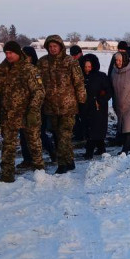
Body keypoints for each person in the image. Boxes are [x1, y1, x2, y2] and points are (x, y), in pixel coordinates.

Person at [0, 41, 45, 183]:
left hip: (28, 114)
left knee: (34, 143)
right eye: (6, 53)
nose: (8, 55)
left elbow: (39, 92)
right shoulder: (0, 70)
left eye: (11, 53)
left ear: (18, 53)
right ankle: (7, 175)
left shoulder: (29, 69)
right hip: (8, 115)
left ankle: (40, 173)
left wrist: (33, 110)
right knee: (8, 146)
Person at [37, 35, 86, 175]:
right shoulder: (42, 62)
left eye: (55, 46)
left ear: (60, 47)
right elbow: (37, 82)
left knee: (64, 135)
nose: (53, 49)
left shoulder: (70, 62)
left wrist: (82, 100)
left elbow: (79, 82)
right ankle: (70, 161)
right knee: (58, 135)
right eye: (50, 47)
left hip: (68, 106)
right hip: (51, 106)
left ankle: (62, 164)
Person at [80, 54, 112, 158]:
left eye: (89, 67)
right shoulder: (80, 76)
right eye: (85, 67)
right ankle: (101, 149)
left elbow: (109, 91)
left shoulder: (101, 76)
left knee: (95, 129)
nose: (87, 69)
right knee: (88, 128)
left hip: (98, 107)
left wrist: (101, 100)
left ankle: (89, 151)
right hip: (85, 107)